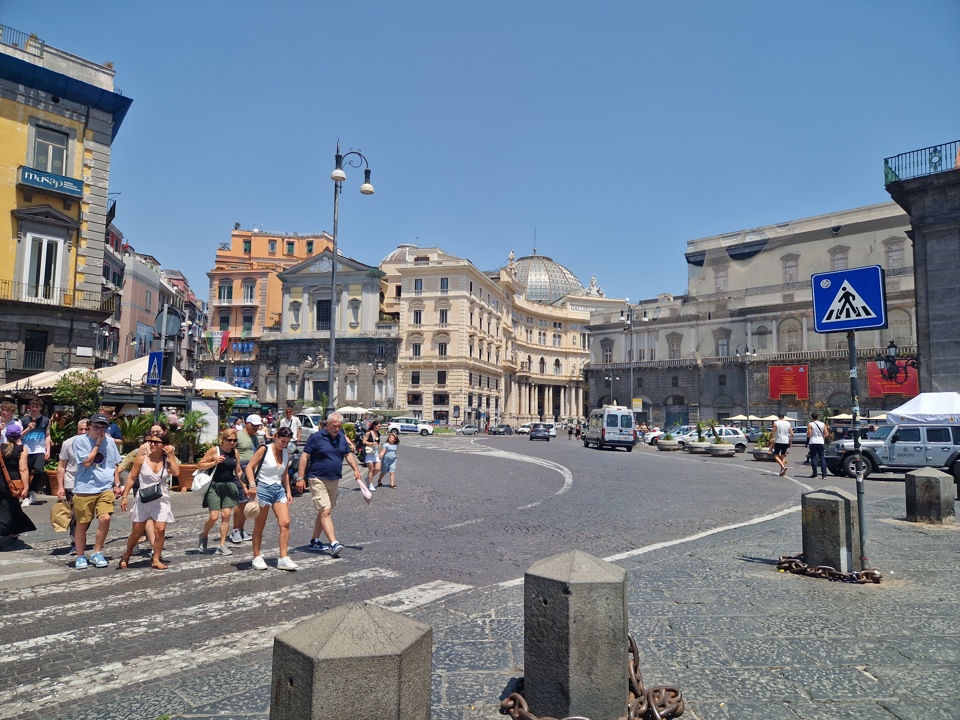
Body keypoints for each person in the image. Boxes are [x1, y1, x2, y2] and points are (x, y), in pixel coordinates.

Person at [298, 412, 364, 558]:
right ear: (327, 424)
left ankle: (314, 541)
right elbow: (304, 457)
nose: (337, 429)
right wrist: (300, 477)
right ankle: (334, 544)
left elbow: (347, 454)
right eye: (334, 426)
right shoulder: (316, 437)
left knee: (324, 511)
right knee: (325, 510)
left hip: (334, 479)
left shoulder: (341, 437)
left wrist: (356, 469)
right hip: (317, 478)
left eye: (339, 426)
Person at [118, 432, 179, 570]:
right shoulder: (142, 458)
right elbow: (131, 478)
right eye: (151, 441)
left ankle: (156, 559)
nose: (152, 444)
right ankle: (127, 554)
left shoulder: (167, 460)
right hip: (143, 497)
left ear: (164, 445)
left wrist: (171, 455)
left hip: (161, 498)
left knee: (160, 530)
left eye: (156, 442)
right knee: (137, 533)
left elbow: (176, 473)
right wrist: (124, 496)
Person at [71, 413, 123, 569]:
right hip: (84, 488)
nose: (99, 430)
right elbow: (87, 462)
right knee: (82, 523)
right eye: (96, 427)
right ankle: (80, 555)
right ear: (89, 427)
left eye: (103, 427)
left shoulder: (110, 442)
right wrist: (97, 445)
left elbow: (114, 464)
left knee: (105, 518)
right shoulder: (80, 441)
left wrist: (117, 483)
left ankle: (97, 552)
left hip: (105, 487)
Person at [246, 426, 297, 571]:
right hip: (263, 489)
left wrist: (288, 491)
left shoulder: (286, 452)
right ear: (276, 437)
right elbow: (249, 467)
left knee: (285, 523)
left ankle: (283, 558)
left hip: (278, 490)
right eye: (282, 441)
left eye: (287, 442)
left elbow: (285, 473)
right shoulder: (264, 449)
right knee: (260, 525)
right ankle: (256, 556)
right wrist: (252, 485)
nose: (284, 445)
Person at [197, 428, 247, 555]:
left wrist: (245, 487)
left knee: (226, 515)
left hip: (228, 486)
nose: (232, 443)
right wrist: (215, 462)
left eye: (234, 440)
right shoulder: (215, 450)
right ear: (223, 440)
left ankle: (222, 544)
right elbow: (200, 465)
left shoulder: (235, 452)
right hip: (214, 486)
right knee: (214, 517)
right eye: (229, 440)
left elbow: (238, 471)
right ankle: (204, 535)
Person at [0, 422, 37, 549]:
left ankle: (15, 530)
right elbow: (23, 469)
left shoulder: (1, 447)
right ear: (19, 435)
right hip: (13, 484)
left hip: (1, 481)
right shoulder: (22, 449)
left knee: (12, 507)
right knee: (6, 509)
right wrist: (26, 487)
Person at [55, 417, 90, 552]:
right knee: (76, 513)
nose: (83, 432)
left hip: (89, 483)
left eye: (86, 429)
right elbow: (61, 466)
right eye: (81, 429)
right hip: (72, 482)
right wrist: (60, 486)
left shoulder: (95, 443)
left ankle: (79, 537)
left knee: (87, 514)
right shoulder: (68, 443)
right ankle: (76, 541)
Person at [229, 414, 264, 544]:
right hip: (240, 470)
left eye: (257, 426)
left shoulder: (254, 438)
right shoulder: (238, 435)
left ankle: (241, 528)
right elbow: (230, 450)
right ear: (247, 423)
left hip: (251, 471)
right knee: (241, 502)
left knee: (247, 501)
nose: (255, 428)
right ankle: (235, 530)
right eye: (253, 425)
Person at [20, 397, 51, 505]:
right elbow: (18, 436)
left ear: (40, 408)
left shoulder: (46, 420)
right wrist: (28, 429)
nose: (34, 409)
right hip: (25, 450)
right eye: (32, 406)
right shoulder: (23, 420)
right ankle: (26, 496)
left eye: (36, 407)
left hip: (39, 449)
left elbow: (47, 435)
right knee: (25, 472)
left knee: (39, 470)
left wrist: (48, 450)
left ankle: (31, 490)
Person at [807, 411, 829, 480]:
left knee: (814, 458)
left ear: (812, 417)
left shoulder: (810, 424)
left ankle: (815, 474)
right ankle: (824, 474)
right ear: (818, 417)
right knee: (822, 458)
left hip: (813, 442)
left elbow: (809, 435)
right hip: (821, 442)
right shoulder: (823, 424)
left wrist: (807, 434)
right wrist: (822, 437)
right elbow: (826, 434)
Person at [771, 413, 794, 477]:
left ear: (778, 417)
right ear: (784, 417)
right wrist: (790, 442)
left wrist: (770, 438)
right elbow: (792, 434)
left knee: (776, 455)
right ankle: (782, 471)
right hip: (786, 441)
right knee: (783, 456)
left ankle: (783, 466)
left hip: (778, 441)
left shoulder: (776, 423)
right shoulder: (788, 423)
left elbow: (773, 432)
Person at [362, 419, 381, 491]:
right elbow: (364, 441)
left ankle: (368, 478)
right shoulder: (369, 433)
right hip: (369, 452)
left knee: (378, 468)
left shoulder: (378, 433)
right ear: (374, 426)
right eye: (378, 426)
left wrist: (379, 449)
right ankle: (370, 484)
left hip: (375, 453)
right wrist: (372, 443)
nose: (379, 428)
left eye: (380, 426)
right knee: (371, 469)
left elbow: (378, 442)